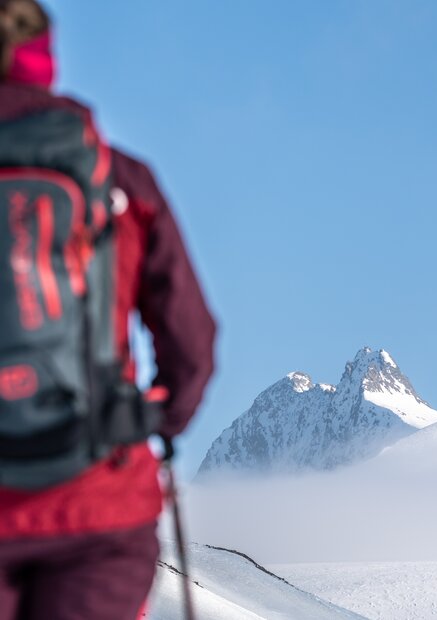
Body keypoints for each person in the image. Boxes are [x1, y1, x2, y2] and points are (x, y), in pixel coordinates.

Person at [0, 1, 217, 619]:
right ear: (43, 58)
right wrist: (156, 418)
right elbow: (191, 344)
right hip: (96, 500)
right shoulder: (119, 179)